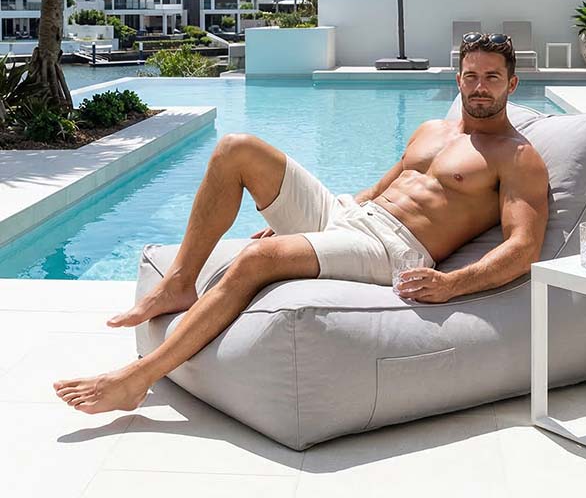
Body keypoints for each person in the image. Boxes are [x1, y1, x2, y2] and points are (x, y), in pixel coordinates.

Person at [53, 33, 550, 414]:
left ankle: (137, 379)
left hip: (394, 248)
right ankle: (182, 282)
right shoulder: (432, 130)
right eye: (470, 75)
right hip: (353, 216)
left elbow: (524, 246)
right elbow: (376, 192)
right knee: (235, 149)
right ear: (457, 78)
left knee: (258, 259)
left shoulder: (517, 157)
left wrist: (451, 283)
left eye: (491, 77)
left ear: (512, 83)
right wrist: (306, 227)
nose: (479, 87)